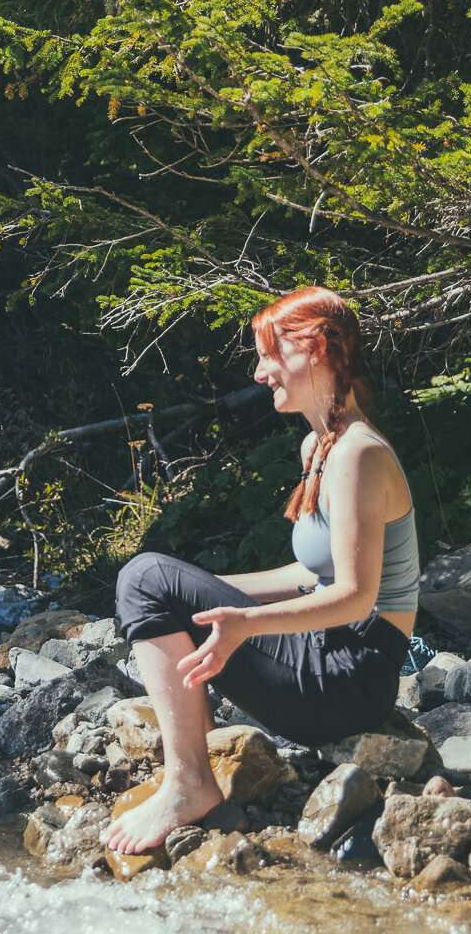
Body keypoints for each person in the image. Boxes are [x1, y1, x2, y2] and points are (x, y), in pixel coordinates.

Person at [101, 287, 419, 854]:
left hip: (350, 678)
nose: (259, 372)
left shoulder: (359, 454)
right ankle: (189, 773)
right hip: (331, 659)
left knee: (144, 576)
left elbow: (353, 596)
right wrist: (203, 596)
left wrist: (244, 624)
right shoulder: (321, 446)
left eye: (269, 354)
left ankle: (188, 783)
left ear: (316, 349)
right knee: (154, 580)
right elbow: (310, 573)